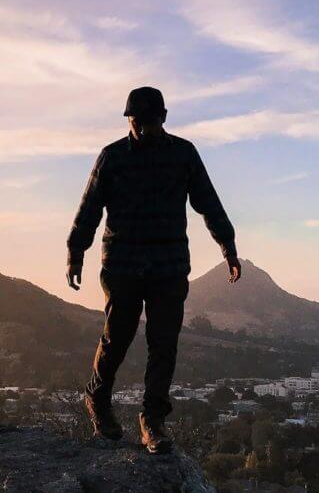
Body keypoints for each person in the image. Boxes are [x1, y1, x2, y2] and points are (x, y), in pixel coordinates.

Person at [66, 86, 241, 454]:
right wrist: (75, 251)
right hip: (123, 265)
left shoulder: (183, 154)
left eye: (148, 121)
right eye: (136, 121)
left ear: (162, 118)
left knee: (164, 344)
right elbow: (90, 208)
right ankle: (97, 399)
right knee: (118, 337)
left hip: (169, 266)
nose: (142, 128)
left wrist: (228, 247)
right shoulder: (112, 157)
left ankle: (153, 421)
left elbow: (208, 202)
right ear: (129, 119)